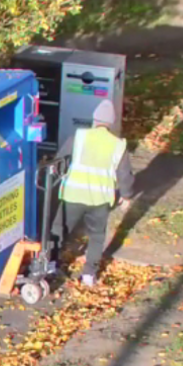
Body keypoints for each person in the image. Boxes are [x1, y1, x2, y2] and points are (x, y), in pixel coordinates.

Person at [54, 99, 133, 287]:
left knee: (60, 230)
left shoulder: (79, 137)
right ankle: (89, 274)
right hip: (100, 199)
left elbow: (59, 161)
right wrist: (126, 195)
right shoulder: (118, 145)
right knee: (97, 236)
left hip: (73, 195)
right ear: (111, 123)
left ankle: (52, 264)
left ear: (94, 119)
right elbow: (125, 174)